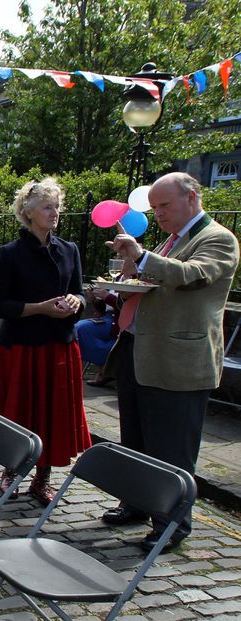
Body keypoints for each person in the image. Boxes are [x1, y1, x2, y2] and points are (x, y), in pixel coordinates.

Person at [101, 172, 239, 550]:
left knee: (172, 449)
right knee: (136, 439)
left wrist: (143, 256)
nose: (158, 213)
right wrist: (124, 278)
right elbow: (156, 287)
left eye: (165, 205)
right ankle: (136, 503)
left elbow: (192, 277)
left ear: (191, 197)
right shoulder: (173, 238)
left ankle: (171, 524)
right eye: (155, 207)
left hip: (179, 361)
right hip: (139, 351)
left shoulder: (218, 239)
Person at [0, 177, 91, 505]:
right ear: (28, 212)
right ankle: (11, 469)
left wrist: (77, 302)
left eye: (57, 207)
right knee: (19, 411)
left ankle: (42, 478)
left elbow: (79, 290)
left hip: (59, 344)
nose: (55, 212)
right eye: (47, 207)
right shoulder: (11, 253)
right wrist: (40, 309)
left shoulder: (69, 250)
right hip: (22, 346)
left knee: (53, 413)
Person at [75, 284, 120, 386]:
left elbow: (125, 306)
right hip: (107, 318)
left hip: (119, 320)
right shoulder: (118, 278)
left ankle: (102, 370)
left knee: (81, 329)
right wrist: (93, 298)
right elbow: (103, 308)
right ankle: (102, 370)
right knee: (78, 328)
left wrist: (108, 297)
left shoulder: (134, 281)